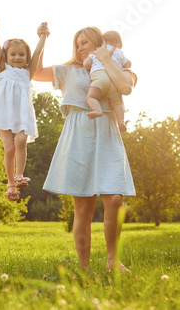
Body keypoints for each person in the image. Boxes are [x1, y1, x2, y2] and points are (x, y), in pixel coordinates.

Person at [33, 26, 136, 272]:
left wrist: (106, 58)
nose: (80, 48)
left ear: (98, 43)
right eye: (77, 44)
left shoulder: (119, 65)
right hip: (78, 135)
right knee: (84, 207)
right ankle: (85, 268)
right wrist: (42, 39)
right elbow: (34, 72)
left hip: (108, 135)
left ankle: (113, 260)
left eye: (85, 43)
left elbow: (126, 87)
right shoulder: (68, 70)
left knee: (114, 199)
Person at [0, 22, 49, 201]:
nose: (17, 57)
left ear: (27, 57)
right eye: (13, 54)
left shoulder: (28, 72)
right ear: (6, 56)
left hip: (22, 115)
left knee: (21, 141)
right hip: (3, 113)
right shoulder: (3, 68)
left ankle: (19, 175)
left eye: (21, 54)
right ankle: (10, 183)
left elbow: (38, 52)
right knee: (9, 148)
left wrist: (43, 36)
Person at [85, 30, 131, 132]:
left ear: (102, 42)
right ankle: (121, 121)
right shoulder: (118, 52)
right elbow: (128, 64)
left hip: (100, 76)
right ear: (118, 44)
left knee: (91, 96)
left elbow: (87, 64)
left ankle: (97, 110)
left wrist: (88, 64)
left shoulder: (98, 51)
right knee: (116, 103)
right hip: (114, 80)